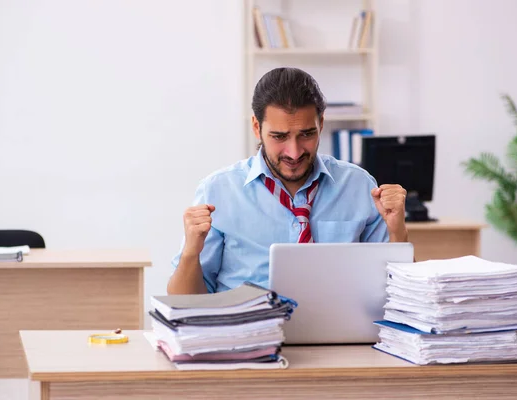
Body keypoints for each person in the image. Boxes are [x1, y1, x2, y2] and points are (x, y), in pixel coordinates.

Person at [168, 67, 408, 295]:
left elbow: (397, 293)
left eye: (306, 134)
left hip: (340, 335)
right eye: (279, 137)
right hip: (248, 334)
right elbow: (184, 301)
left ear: (321, 124)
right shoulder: (219, 190)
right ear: (256, 127)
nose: (294, 152)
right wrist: (191, 251)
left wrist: (398, 231)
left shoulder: (358, 186)